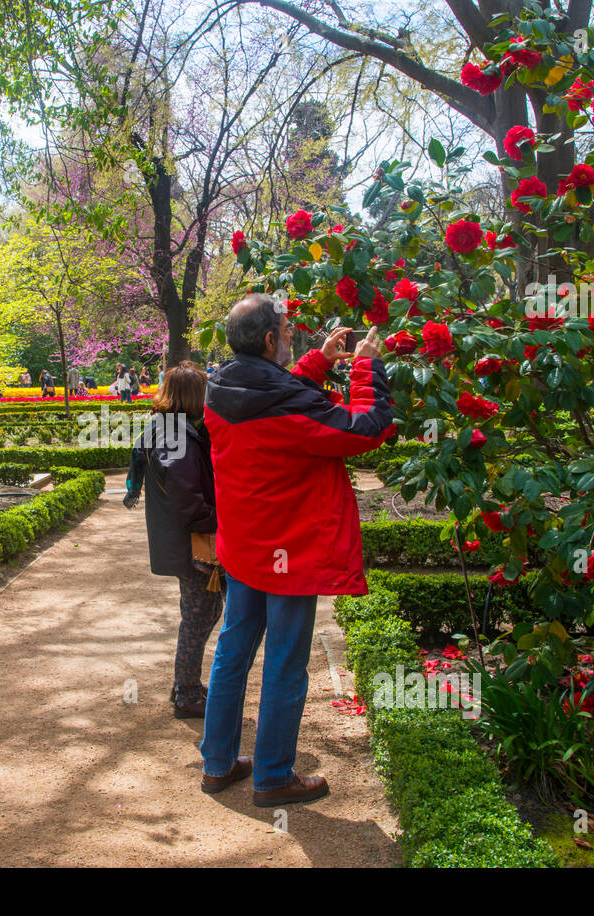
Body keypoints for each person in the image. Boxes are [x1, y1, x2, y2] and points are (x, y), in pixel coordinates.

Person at [198, 294, 393, 806]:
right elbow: (363, 429)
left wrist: (320, 360)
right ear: (268, 340)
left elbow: (278, 394)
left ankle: (218, 764)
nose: (291, 337)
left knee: (233, 653)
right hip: (289, 552)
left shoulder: (220, 387)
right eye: (286, 332)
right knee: (285, 662)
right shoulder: (285, 405)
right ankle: (273, 777)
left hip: (245, 547)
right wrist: (365, 369)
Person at [124, 362, 221, 718]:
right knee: (198, 615)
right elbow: (185, 499)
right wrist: (217, 520)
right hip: (192, 543)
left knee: (202, 613)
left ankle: (185, 684)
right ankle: (187, 693)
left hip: (186, 538)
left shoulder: (172, 429)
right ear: (194, 396)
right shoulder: (175, 434)